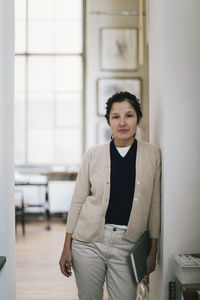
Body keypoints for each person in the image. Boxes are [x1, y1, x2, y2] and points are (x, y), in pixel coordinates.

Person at [59, 91, 161, 300]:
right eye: (115, 117)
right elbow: (78, 201)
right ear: (108, 121)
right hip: (87, 243)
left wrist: (153, 250)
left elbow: (154, 205)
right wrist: (66, 246)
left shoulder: (152, 155)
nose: (122, 122)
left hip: (128, 244)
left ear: (138, 118)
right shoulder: (93, 154)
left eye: (129, 115)